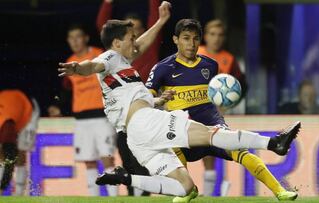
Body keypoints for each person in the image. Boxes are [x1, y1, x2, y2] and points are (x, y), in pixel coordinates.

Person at [58, 4, 301, 201]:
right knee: (210, 134)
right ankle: (273, 143)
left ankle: (126, 178)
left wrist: (161, 21)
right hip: (146, 124)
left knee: (184, 187)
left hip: (137, 138)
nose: (136, 43)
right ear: (117, 43)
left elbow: (140, 47)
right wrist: (79, 68)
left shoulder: (122, 66)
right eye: (131, 38)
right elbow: (93, 65)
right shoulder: (110, 57)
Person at [145, 19, 299, 202]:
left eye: (195, 38)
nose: (191, 43)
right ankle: (187, 191)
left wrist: (226, 99)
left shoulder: (210, 65)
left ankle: (281, 192)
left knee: (240, 152)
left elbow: (217, 91)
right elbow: (145, 101)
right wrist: (160, 99)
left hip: (212, 124)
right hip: (184, 130)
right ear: (175, 40)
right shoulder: (163, 68)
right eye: (186, 38)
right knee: (168, 143)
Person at [96, 0, 162, 196]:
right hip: (124, 112)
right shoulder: (117, 57)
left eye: (137, 31)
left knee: (144, 155)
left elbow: (155, 20)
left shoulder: (147, 49)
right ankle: (134, 191)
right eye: (129, 34)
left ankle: (145, 191)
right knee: (125, 151)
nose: (134, 38)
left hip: (147, 108)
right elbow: (104, 27)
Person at [50, 24, 118, 196]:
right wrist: (57, 105)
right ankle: (93, 198)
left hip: (102, 117)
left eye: (77, 36)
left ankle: (114, 198)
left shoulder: (99, 55)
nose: (74, 41)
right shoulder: (70, 61)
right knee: (88, 161)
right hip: (81, 120)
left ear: (86, 38)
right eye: (71, 38)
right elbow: (66, 90)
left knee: (107, 158)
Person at [191, 19, 248, 196]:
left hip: (211, 114)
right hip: (188, 111)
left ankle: (206, 196)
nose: (216, 39)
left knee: (209, 155)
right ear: (205, 36)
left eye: (220, 35)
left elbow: (243, 86)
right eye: (212, 34)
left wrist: (229, 104)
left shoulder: (228, 59)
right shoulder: (194, 53)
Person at [0, 89, 39, 195]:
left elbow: (10, 160)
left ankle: (19, 194)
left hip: (28, 111)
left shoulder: (7, 126)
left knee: (20, 154)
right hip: (12, 110)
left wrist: (2, 187)